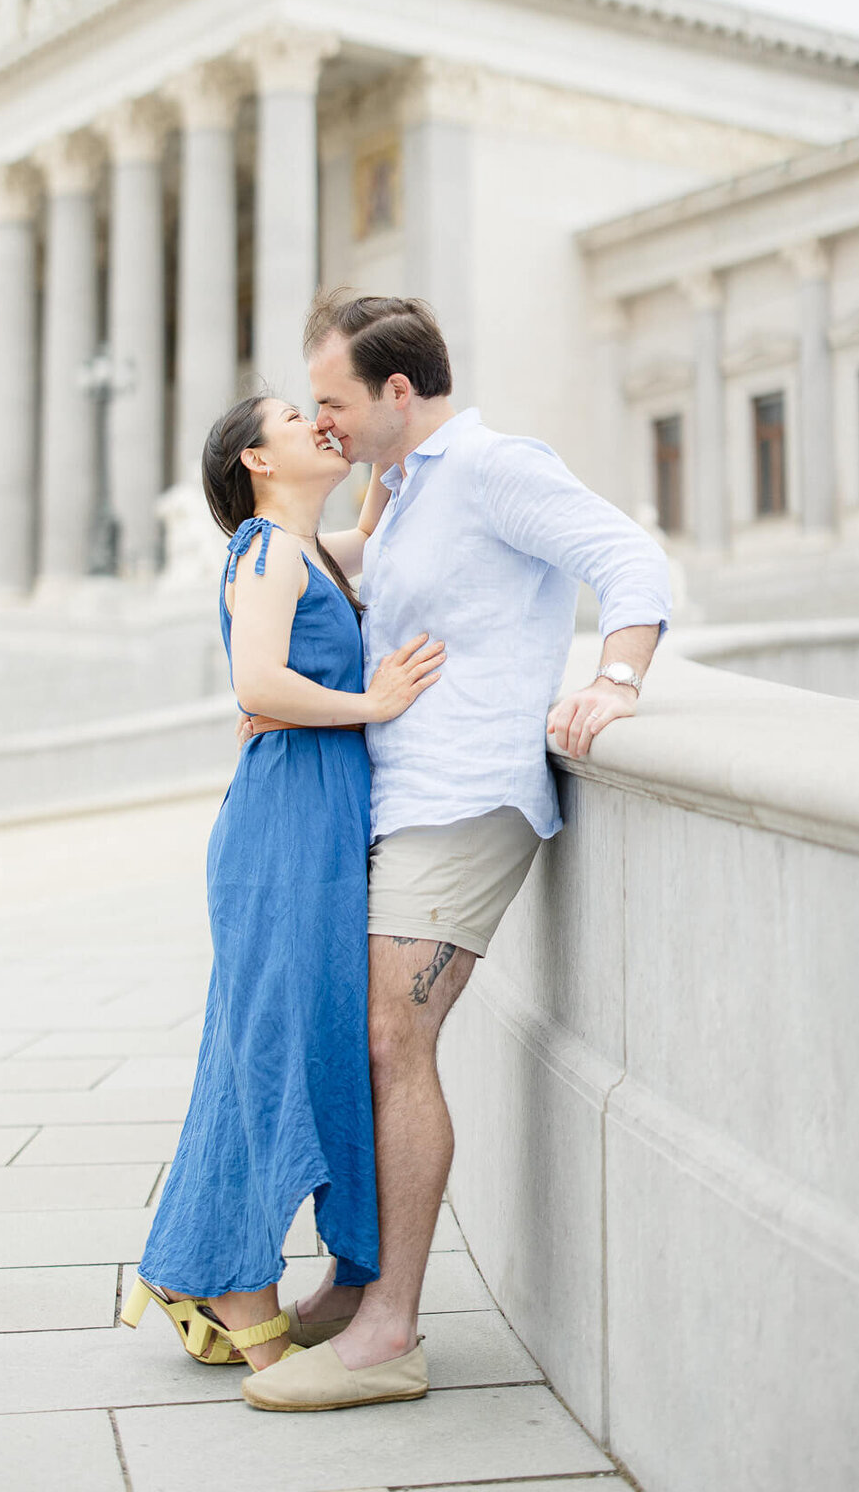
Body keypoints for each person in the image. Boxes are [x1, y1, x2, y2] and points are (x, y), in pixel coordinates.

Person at [241, 291, 672, 1412]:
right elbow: (336, 589)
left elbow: (630, 560)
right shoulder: (403, 492)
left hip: (467, 799)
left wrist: (614, 680)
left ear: (398, 389)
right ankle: (356, 1286)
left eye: (334, 401)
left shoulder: (492, 467)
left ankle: (391, 1334)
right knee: (362, 1042)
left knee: (397, 1039)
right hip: (395, 797)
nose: (322, 422)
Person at [121, 392, 445, 1379]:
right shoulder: (265, 552)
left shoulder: (310, 551)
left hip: (317, 816)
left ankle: (206, 1265)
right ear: (257, 461)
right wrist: (372, 702)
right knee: (269, 1046)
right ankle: (235, 1282)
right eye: (297, 418)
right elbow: (257, 683)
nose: (316, 424)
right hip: (285, 823)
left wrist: (381, 430)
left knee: (279, 1040)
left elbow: (374, 531)